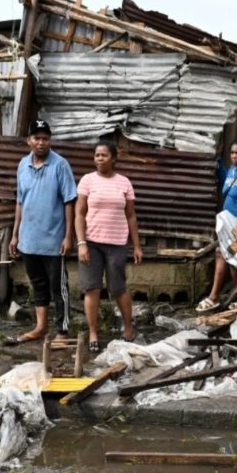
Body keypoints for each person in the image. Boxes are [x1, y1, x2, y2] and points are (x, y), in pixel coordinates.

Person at [5, 120, 77, 346]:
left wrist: (68, 236)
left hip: (54, 240)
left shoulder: (60, 165)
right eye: (37, 138)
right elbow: (20, 202)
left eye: (45, 138)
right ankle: (40, 327)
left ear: (50, 141)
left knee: (59, 287)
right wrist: (16, 235)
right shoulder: (22, 165)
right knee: (38, 284)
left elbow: (69, 202)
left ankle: (62, 332)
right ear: (29, 141)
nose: (41, 142)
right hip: (29, 239)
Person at [74, 141, 142, 353]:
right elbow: (79, 213)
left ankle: (128, 328)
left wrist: (137, 246)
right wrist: (81, 243)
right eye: (97, 155)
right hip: (91, 243)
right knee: (92, 287)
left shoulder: (124, 183)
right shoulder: (87, 181)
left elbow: (130, 216)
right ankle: (93, 331)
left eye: (104, 155)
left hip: (117, 244)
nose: (100, 159)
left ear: (113, 158)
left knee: (118, 288)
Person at [196, 138, 237, 312]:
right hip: (226, 224)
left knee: (226, 256)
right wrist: (217, 160)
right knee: (229, 259)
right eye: (232, 153)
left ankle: (215, 297)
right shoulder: (232, 170)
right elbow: (227, 183)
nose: (234, 156)